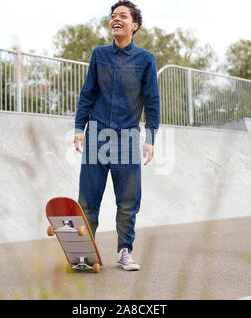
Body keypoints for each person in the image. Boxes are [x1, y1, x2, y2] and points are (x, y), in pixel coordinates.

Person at [73, 0, 160, 271]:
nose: (115, 19)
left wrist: (151, 138)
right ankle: (83, 254)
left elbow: (152, 100)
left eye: (122, 16)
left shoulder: (146, 59)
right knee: (88, 198)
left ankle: (125, 250)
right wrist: (79, 129)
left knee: (128, 200)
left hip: (128, 139)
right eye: (112, 16)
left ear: (134, 25)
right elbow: (88, 93)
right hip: (97, 134)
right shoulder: (99, 55)